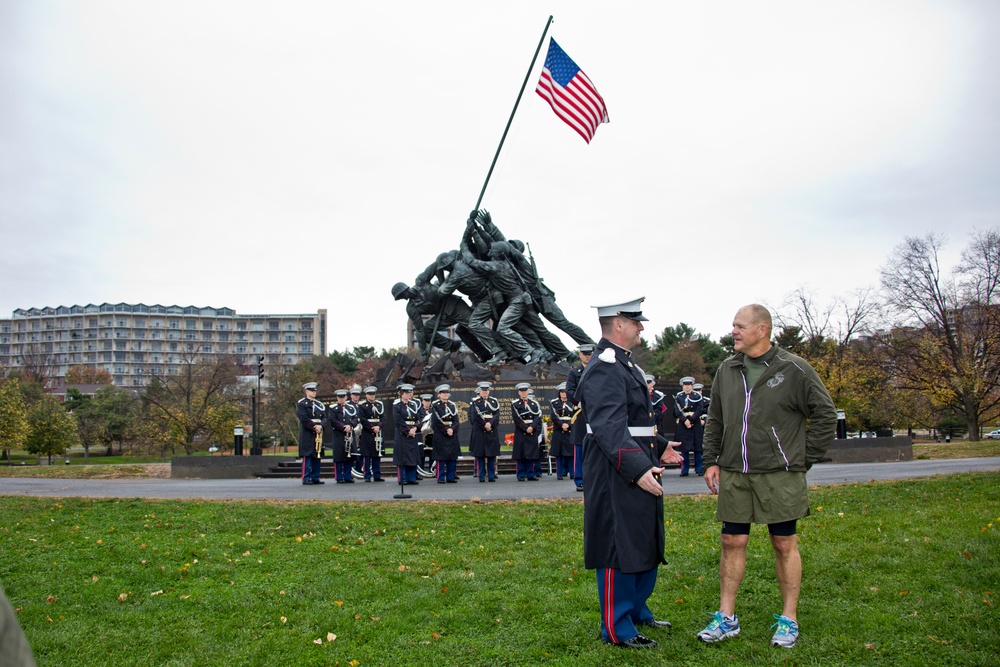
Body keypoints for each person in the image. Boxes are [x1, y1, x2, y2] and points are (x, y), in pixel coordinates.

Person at [698, 304, 837, 649]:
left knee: (784, 543)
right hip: (734, 472)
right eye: (733, 325)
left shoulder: (794, 369)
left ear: (762, 330)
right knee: (732, 541)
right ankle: (726, 617)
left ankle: (788, 619)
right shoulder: (727, 370)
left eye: (740, 326)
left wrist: (802, 458)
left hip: (780, 475)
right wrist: (710, 460)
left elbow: (825, 414)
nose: (734, 331)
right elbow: (715, 418)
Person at [576, 297, 684, 649]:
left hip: (634, 459)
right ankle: (617, 626)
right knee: (617, 544)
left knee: (641, 537)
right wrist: (638, 469)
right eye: (636, 322)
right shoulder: (605, 366)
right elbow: (607, 427)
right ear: (618, 323)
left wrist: (661, 443)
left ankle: (637, 610)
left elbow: (634, 419)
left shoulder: (625, 364)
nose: (641, 327)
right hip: (615, 470)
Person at [566, 343, 595, 492]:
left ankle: (596, 479)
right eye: (584, 353)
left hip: (596, 414)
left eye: (589, 353)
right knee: (580, 448)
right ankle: (580, 480)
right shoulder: (574, 372)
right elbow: (570, 392)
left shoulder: (598, 370)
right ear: (579, 355)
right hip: (581, 414)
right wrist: (585, 400)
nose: (587, 356)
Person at [673, 377, 706, 476]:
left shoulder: (697, 396)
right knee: (684, 447)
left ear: (692, 386)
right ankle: (684, 469)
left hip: (695, 423)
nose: (687, 387)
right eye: (685, 385)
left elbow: (700, 410)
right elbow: (677, 412)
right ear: (683, 386)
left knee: (698, 446)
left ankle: (699, 468)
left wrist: (691, 420)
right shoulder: (679, 396)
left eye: (689, 385)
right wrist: (685, 420)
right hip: (683, 424)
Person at [468, 381, 500, 482]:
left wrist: (490, 424)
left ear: (489, 391)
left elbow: (496, 415)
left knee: (491, 455)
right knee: (480, 455)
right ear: (480, 391)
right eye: (483, 391)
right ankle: (481, 475)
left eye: (486, 390)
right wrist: (484, 425)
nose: (484, 392)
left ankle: (491, 475)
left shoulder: (494, 402)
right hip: (480, 432)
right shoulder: (475, 402)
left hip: (491, 431)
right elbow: (474, 417)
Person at [511, 382, 542, 480]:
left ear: (528, 391)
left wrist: (532, 427)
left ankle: (530, 473)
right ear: (519, 392)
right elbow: (516, 418)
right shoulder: (515, 404)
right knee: (520, 454)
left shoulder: (534, 404)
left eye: (525, 391)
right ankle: (520, 474)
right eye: (521, 391)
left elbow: (537, 417)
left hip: (531, 430)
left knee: (531, 453)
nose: (523, 393)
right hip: (521, 431)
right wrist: (525, 427)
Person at [296, 381, 326, 485]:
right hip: (308, 432)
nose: (314, 392)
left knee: (317, 455)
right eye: (311, 391)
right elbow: (303, 418)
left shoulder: (319, 404)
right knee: (307, 455)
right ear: (306, 391)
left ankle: (315, 477)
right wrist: (314, 427)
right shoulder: (302, 403)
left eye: (315, 391)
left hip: (319, 431)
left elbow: (324, 417)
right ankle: (306, 477)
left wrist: (321, 425)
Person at [392, 384, 422, 485]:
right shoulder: (397, 406)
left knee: (412, 456)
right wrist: (408, 430)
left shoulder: (413, 405)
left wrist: (415, 428)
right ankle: (403, 478)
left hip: (413, 433)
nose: (409, 394)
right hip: (402, 434)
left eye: (410, 392)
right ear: (401, 394)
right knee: (402, 456)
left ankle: (411, 477)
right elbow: (398, 421)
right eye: (406, 392)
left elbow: (418, 418)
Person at [431, 384, 461, 483]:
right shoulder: (435, 405)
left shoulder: (452, 405)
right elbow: (436, 421)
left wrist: (452, 429)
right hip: (441, 434)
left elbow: (456, 421)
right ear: (439, 395)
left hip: (451, 434)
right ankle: (440, 477)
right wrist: (446, 430)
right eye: (443, 393)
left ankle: (450, 477)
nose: (445, 395)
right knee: (441, 457)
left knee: (452, 457)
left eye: (446, 393)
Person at [328, 389, 357, 484]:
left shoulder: (351, 408)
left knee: (349, 455)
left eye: (343, 397)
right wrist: (343, 427)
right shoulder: (333, 408)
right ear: (337, 398)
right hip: (339, 434)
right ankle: (339, 476)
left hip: (350, 434)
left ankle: (348, 475)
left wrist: (351, 425)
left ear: (346, 397)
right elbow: (332, 420)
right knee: (339, 456)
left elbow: (356, 418)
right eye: (339, 397)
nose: (341, 399)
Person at [358, 386, 385, 482]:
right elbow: (362, 419)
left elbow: (383, 418)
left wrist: (379, 426)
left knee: (377, 453)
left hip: (378, 431)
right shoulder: (362, 405)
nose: (372, 396)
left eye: (373, 394)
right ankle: (367, 475)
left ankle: (377, 474)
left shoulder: (379, 405)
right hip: (367, 432)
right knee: (367, 454)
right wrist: (372, 427)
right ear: (366, 395)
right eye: (370, 394)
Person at [549, 382, 575, 479]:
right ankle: (559, 473)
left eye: (565, 392)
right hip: (558, 430)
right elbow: (553, 416)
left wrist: (568, 425)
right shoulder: (554, 402)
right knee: (559, 454)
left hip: (570, 430)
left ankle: (572, 473)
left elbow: (575, 415)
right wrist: (561, 425)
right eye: (561, 392)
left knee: (570, 454)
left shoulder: (572, 403)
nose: (564, 394)